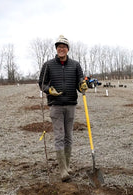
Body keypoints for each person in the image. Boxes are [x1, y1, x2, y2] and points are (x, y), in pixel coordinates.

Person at [39, 35, 88, 182]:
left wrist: (83, 85)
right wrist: (49, 90)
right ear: (56, 49)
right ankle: (62, 171)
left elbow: (80, 81)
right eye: (59, 46)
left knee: (69, 136)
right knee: (60, 136)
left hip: (71, 105)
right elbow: (41, 83)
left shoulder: (75, 65)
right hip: (56, 106)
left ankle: (67, 165)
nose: (61, 49)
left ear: (68, 49)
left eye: (64, 46)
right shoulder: (48, 65)